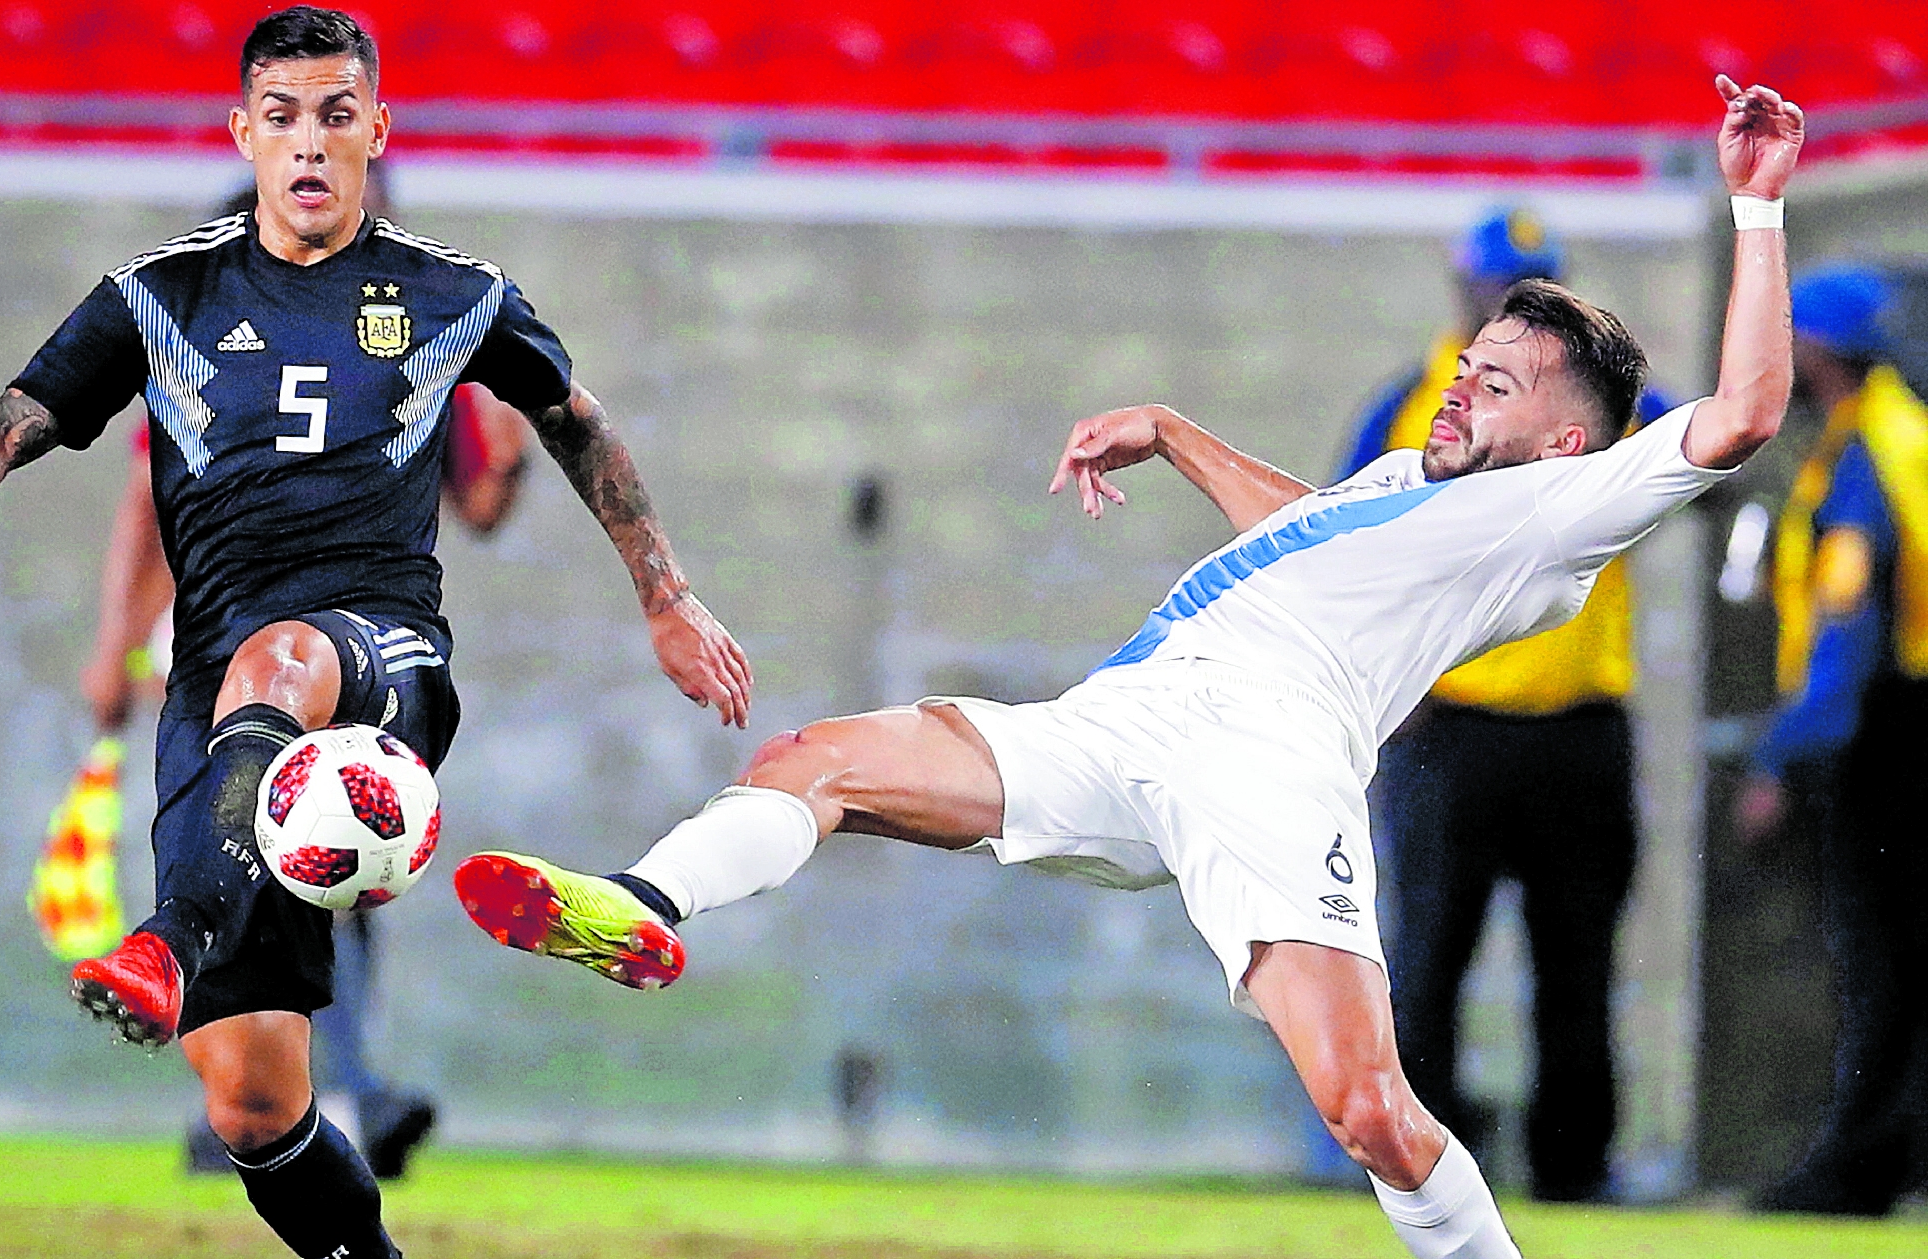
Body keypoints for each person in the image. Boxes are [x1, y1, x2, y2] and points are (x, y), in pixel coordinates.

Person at [452, 78, 1803, 1259]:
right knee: (820, 763)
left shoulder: (1553, 514)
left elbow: (1742, 411)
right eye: (1470, 364)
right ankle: (640, 906)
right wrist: (1168, 427)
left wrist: (1755, 207)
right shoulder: (1407, 476)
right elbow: (1305, 528)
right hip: (1123, 718)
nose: (1461, 387)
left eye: (1499, 384)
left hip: (1270, 766)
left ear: (1567, 445)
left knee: (1369, 1108)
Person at [0, 9, 751, 1259]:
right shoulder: (160, 299)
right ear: (243, 131)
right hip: (210, 702)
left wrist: (666, 594)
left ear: (376, 129)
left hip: (384, 668)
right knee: (254, 1101)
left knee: (284, 659)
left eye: (337, 113)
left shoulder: (454, 295)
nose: (310, 142)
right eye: (282, 116)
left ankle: (166, 941)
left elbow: (577, 422)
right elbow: (8, 423)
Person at [79, 177, 534, 1181]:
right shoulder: (204, 338)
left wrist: (513, 463)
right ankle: (282, 1095)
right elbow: (146, 504)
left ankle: (326, 1092)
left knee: (336, 867)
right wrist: (116, 641)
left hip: (353, 639)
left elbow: (479, 503)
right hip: (221, 642)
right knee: (252, 858)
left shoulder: (420, 343)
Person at [1336, 209, 1675, 1201]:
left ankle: (1575, 1171)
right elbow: (1342, 543)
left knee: (1576, 968)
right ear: (1463, 292)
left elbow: (1710, 438)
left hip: (1578, 725)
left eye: (1530, 291)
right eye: (1498, 290)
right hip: (1455, 725)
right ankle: (1413, 1173)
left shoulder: (1618, 404)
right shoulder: (1413, 404)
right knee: (1427, 959)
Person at [1736, 262, 1928, 1216]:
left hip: (1878, 734)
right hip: (1901, 718)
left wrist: (1782, 755)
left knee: (1875, 960)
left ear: (1817, 350)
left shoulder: (1863, 458)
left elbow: (1848, 622)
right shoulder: (1901, 433)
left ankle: (1857, 1167)